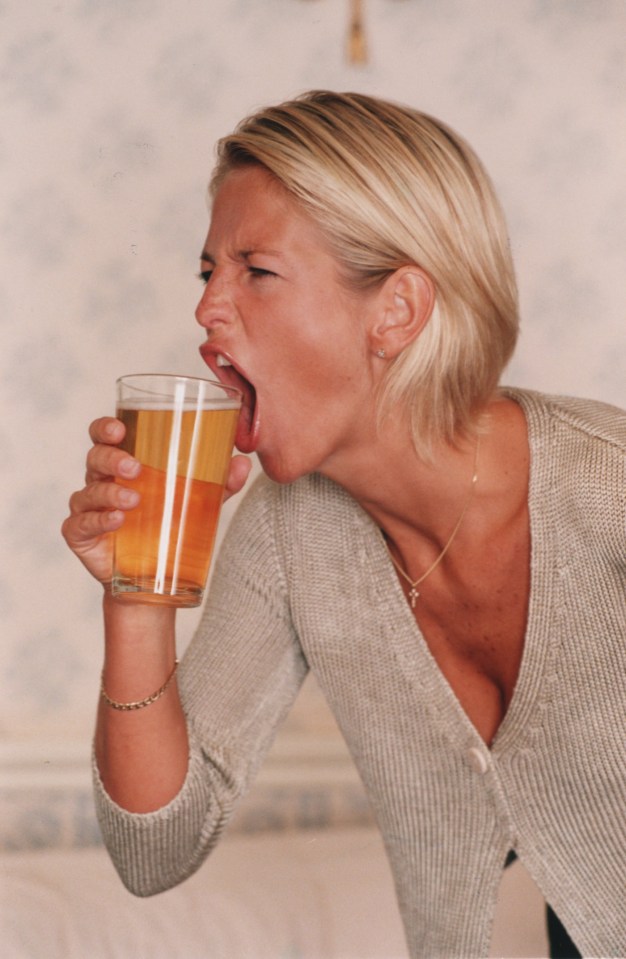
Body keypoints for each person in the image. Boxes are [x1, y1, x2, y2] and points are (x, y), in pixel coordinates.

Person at [62, 90, 625, 958]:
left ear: (396, 311)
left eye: (255, 268)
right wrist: (135, 595)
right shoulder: (291, 533)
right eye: (207, 270)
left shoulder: (608, 485)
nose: (208, 308)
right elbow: (154, 849)